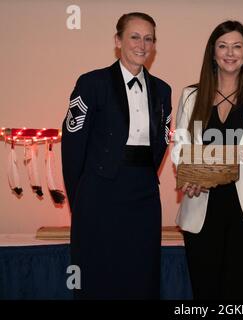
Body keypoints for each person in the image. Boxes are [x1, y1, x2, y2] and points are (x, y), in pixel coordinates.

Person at [61, 12, 172, 299]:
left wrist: (146, 177)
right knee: (97, 274)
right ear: (117, 41)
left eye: (149, 39)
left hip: (144, 195)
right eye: (135, 36)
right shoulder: (91, 83)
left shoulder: (163, 90)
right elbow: (73, 146)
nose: (142, 45)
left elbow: (161, 143)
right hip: (99, 192)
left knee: (141, 273)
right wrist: (81, 198)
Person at [171, 20, 243, 300]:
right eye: (223, 46)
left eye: (237, 46)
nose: (230, 53)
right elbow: (179, 150)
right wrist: (188, 178)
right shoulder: (191, 95)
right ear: (213, 53)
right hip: (202, 207)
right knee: (206, 291)